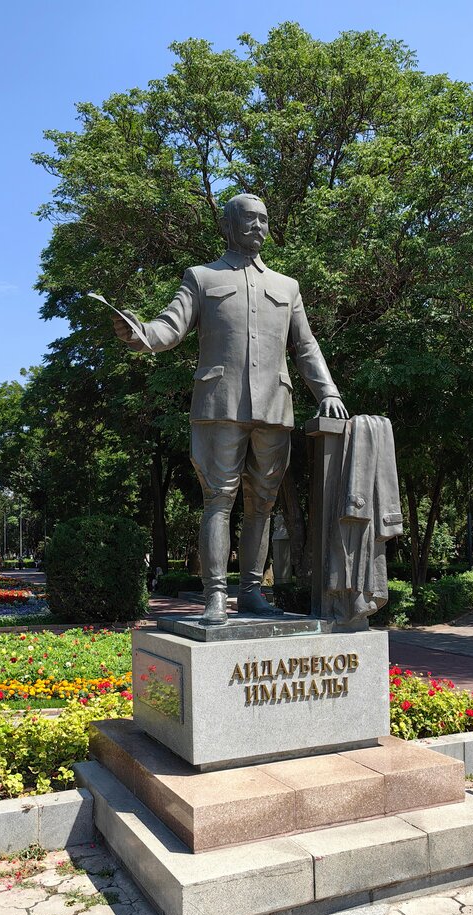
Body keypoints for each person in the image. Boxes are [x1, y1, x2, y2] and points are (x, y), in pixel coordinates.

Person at [113, 194, 347, 625]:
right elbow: (171, 325)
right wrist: (140, 333)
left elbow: (306, 345)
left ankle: (253, 592)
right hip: (220, 404)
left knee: (263, 504)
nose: (257, 226)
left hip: (274, 406)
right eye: (248, 219)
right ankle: (216, 595)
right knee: (218, 500)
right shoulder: (201, 278)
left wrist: (327, 391)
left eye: (263, 220)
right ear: (226, 226)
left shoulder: (287, 286)